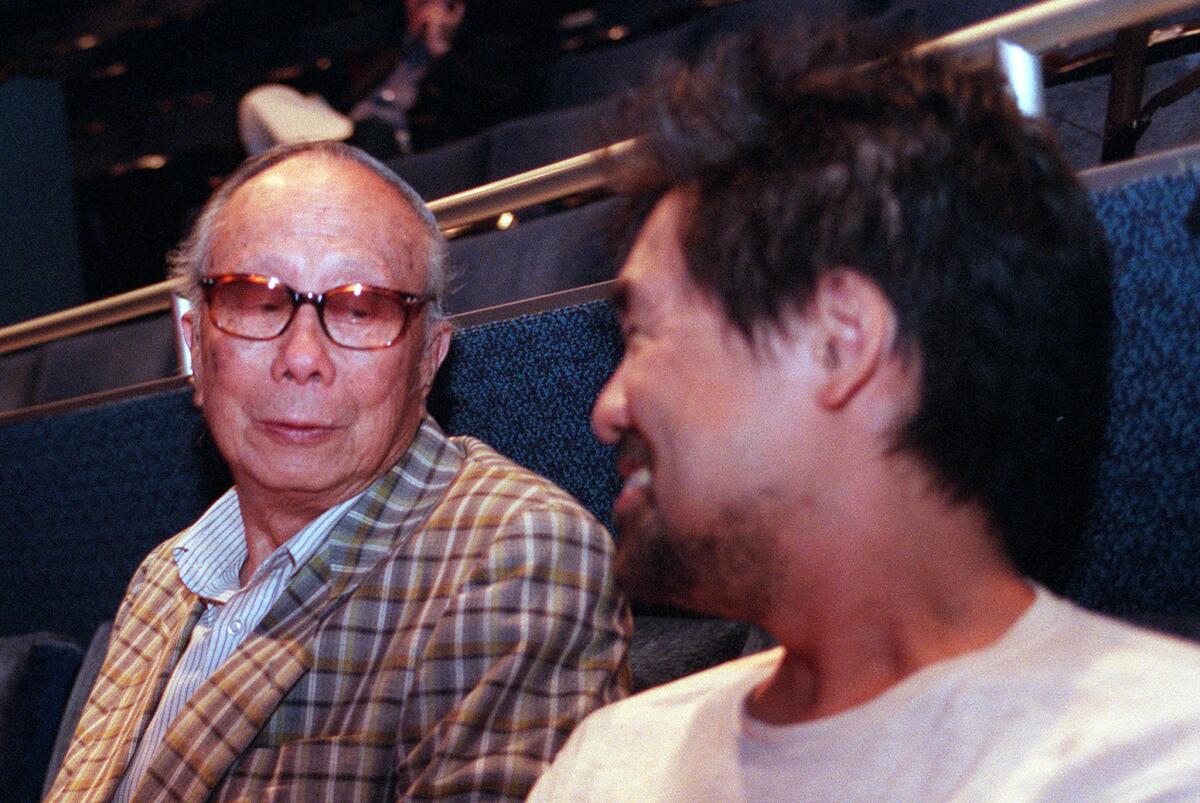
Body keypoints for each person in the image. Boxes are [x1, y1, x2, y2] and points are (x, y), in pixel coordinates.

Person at [529, 24, 1200, 802]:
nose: (607, 409)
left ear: (841, 341)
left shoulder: (1155, 764)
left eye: (643, 334)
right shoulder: (612, 757)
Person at [45, 140, 629, 802]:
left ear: (428, 360)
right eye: (258, 299)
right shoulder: (159, 577)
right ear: (193, 345)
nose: (302, 357)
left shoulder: (518, 553)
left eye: (360, 309)